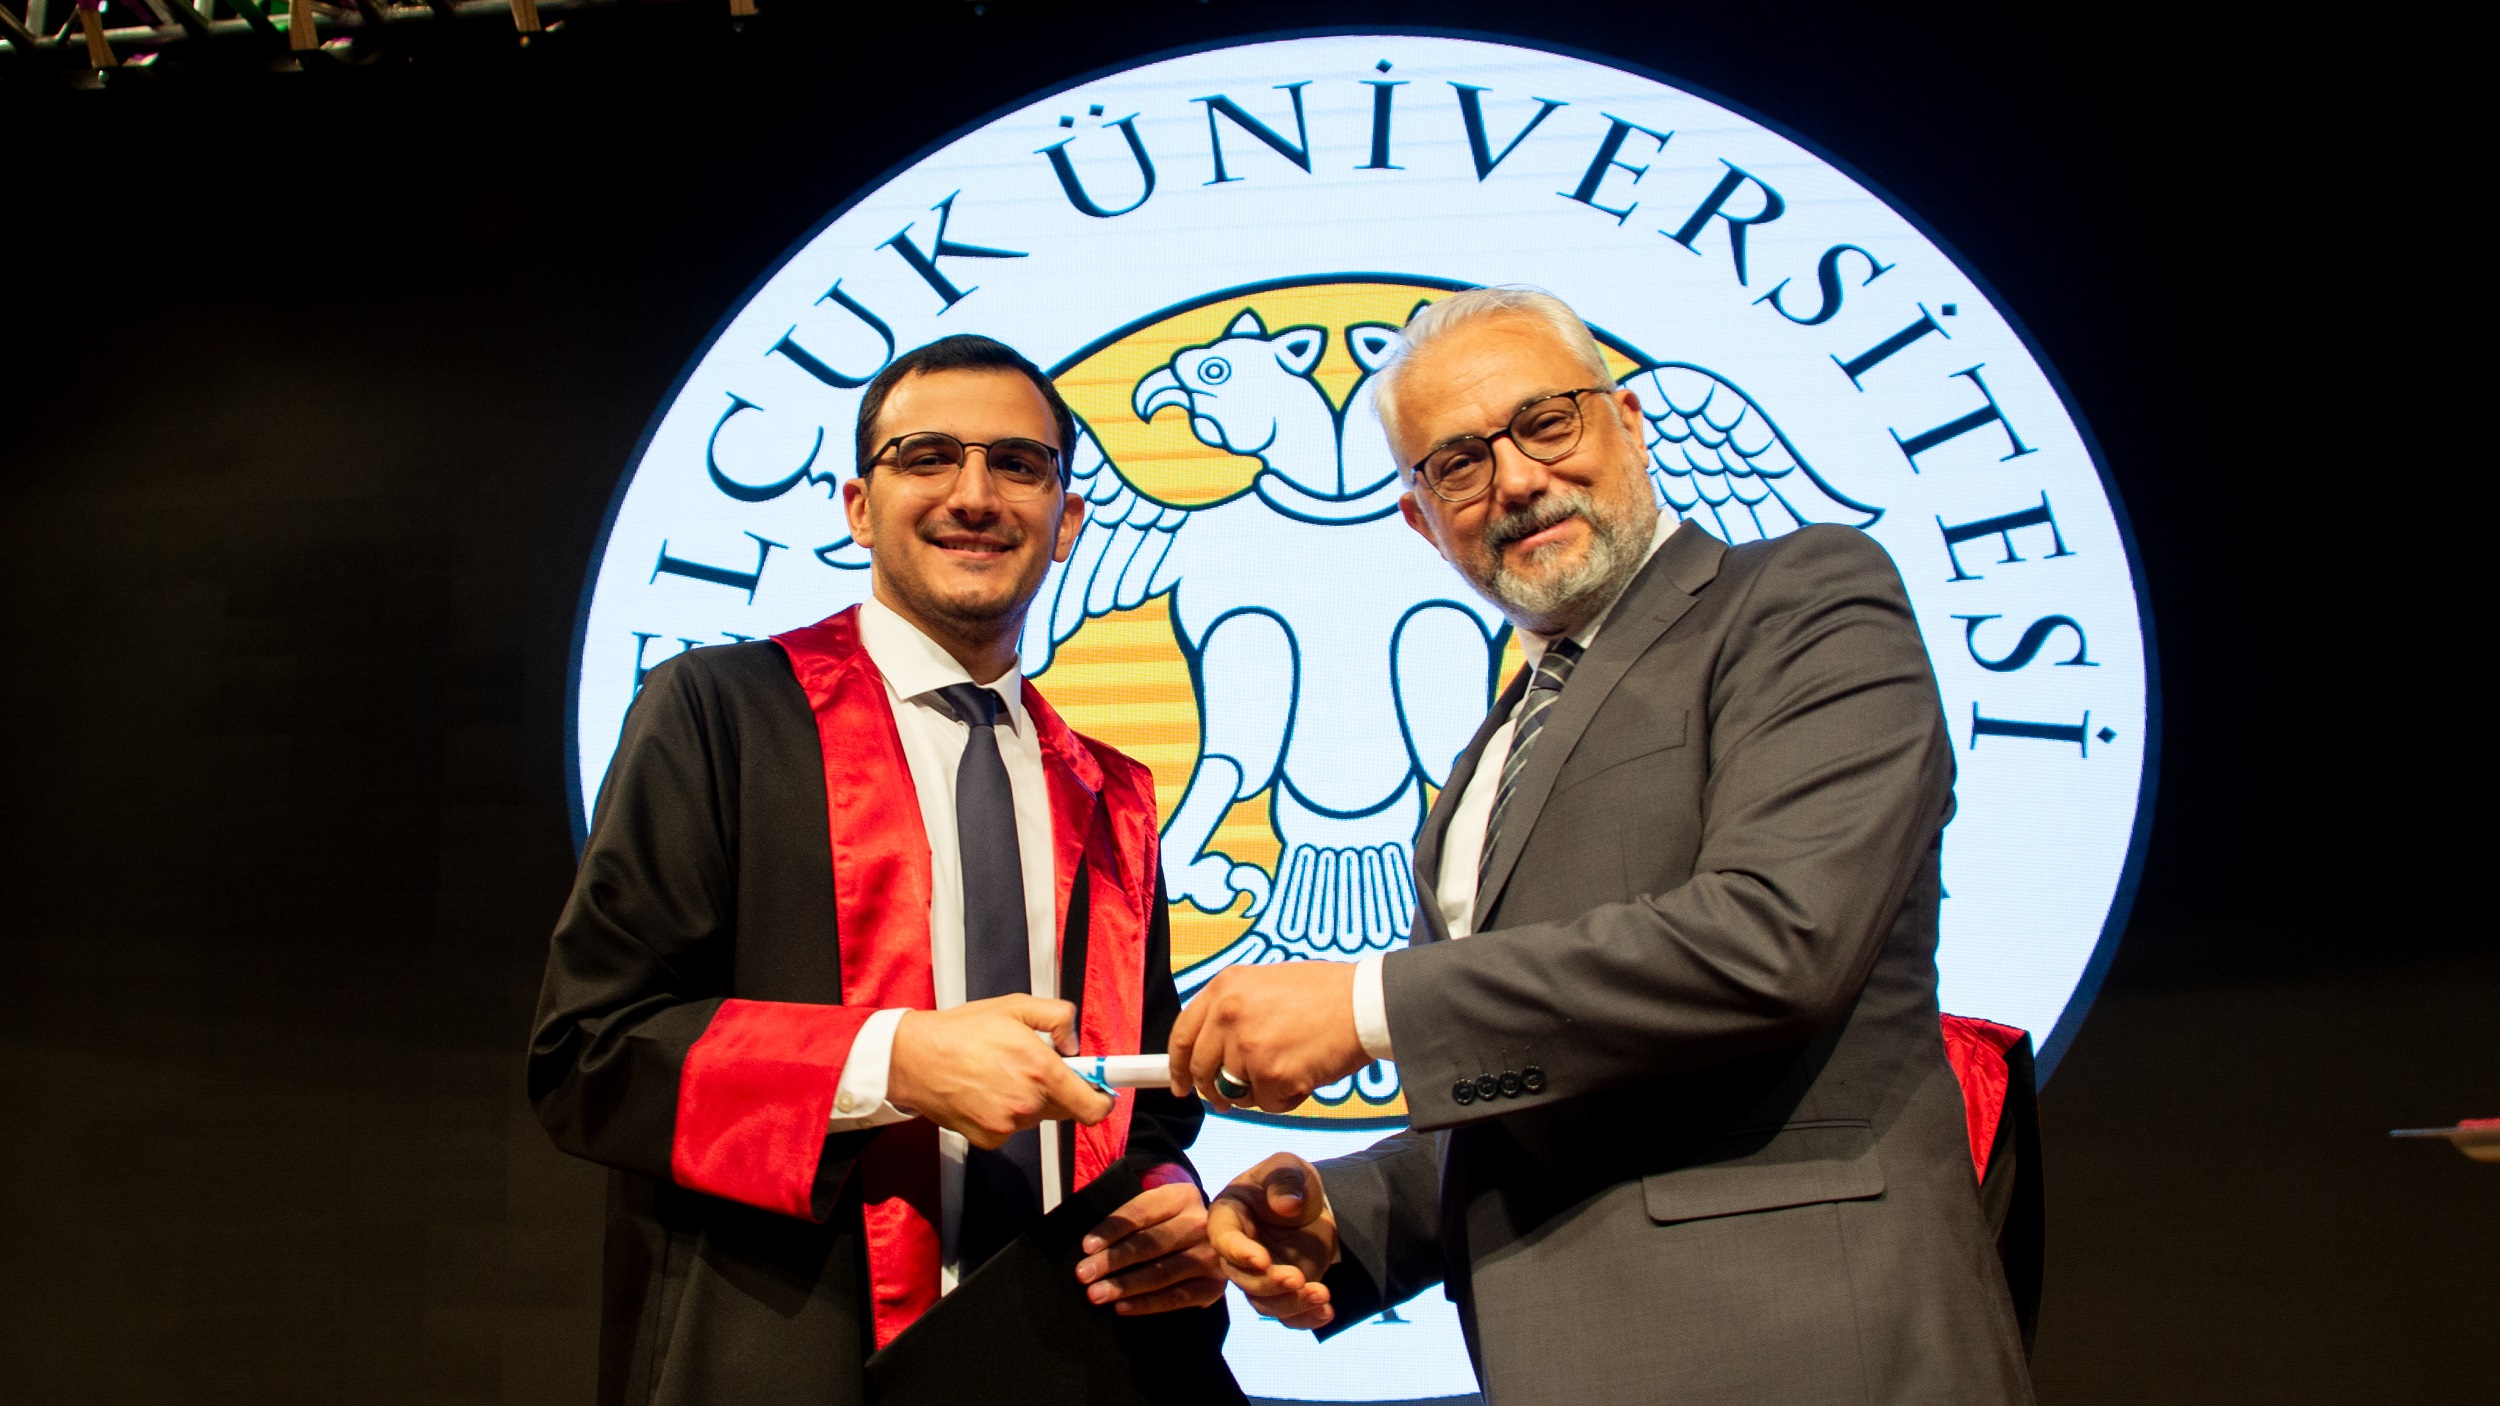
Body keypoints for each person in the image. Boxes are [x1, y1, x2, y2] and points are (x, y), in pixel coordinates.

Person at [1167, 288, 2036, 1403]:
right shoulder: (1486, 760)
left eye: (1545, 423)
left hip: (1813, 1350)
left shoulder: (1801, 598)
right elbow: (1546, 1084)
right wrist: (1346, 1213)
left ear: (1628, 424)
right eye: (1459, 464)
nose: (1516, 480)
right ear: (1421, 523)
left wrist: (1367, 1007)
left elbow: (1774, 940)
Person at [531, 335, 1222, 1406]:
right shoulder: (720, 714)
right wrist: (892, 1059)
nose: (974, 495)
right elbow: (592, 1050)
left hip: (1067, 1359)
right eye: (927, 456)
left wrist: (1169, 1189)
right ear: (859, 506)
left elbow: (1139, 1099)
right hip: (791, 1354)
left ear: (1068, 521)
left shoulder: (1110, 794)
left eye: (1019, 465)